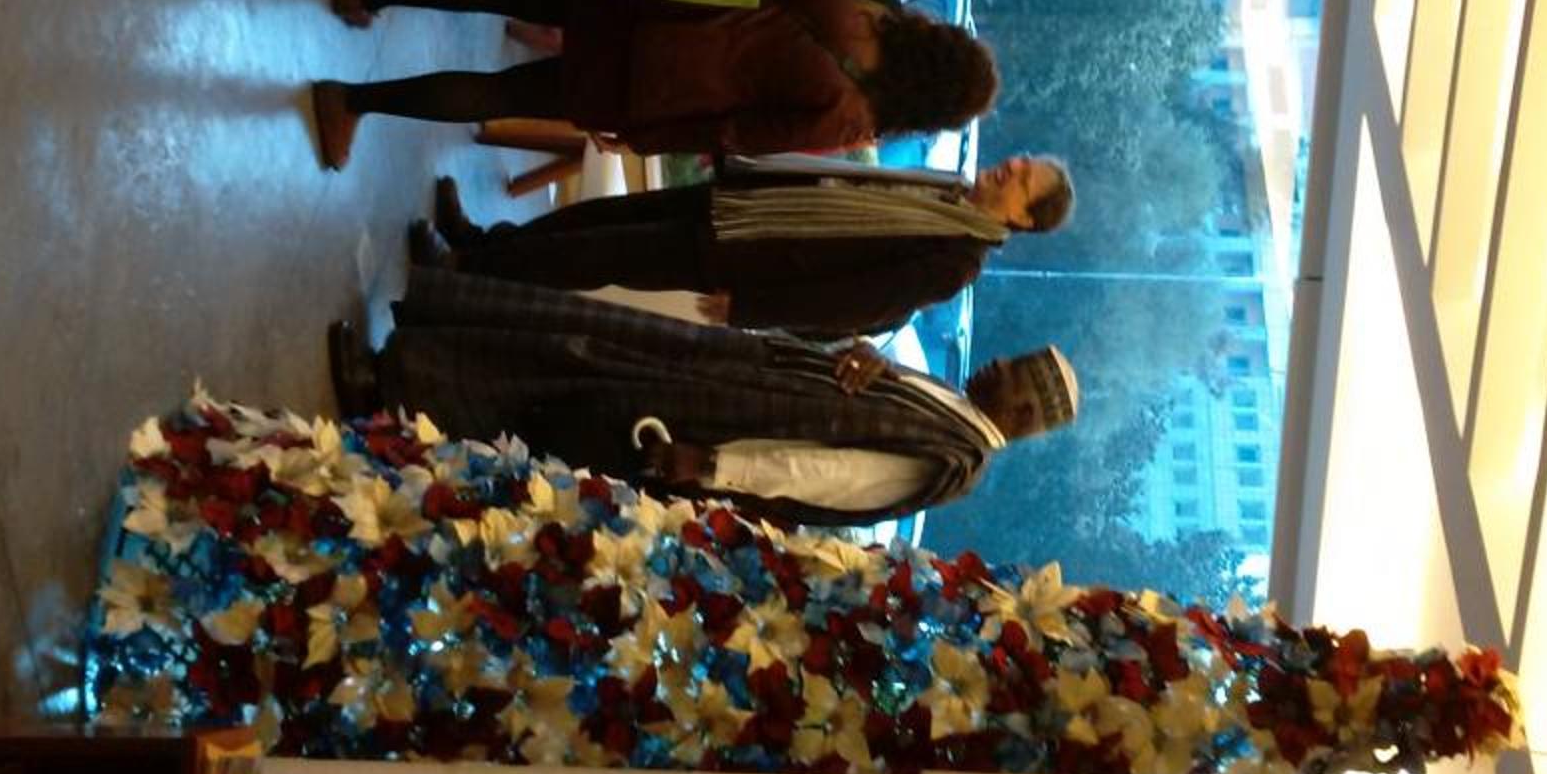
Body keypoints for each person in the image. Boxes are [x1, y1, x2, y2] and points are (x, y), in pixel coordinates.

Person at [88, 396, 1528, 774]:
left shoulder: (1188, 704)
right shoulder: (1188, 697)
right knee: (506, 562)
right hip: (769, 627)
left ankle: (214, 579)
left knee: (500, 578)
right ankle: (212, 584)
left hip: (770, 650)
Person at [329, 277, 1080, 529]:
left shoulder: (953, 459)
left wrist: (711, 466)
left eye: (1011, 373)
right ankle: (410, 351)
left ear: (1021, 417)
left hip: (709, 425)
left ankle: (388, 389)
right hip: (724, 383)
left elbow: (827, 476)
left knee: (549, 398)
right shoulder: (951, 410)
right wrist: (872, 363)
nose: (996, 363)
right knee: (565, 349)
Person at [309, 0, 999, 172]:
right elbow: (736, 133)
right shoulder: (853, 116)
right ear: (929, 110)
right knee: (501, 94)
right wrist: (645, 139)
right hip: (655, 86)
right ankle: (353, 101)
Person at [412, 149, 1074, 342]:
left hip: (746, 257)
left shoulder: (956, 261)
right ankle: (480, 243)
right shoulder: (949, 189)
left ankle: (465, 272)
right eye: (1023, 161)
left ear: (1021, 218)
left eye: (1024, 180)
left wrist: (755, 307)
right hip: (743, 206)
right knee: (595, 222)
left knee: (593, 257)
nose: (1012, 166)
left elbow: (854, 301)